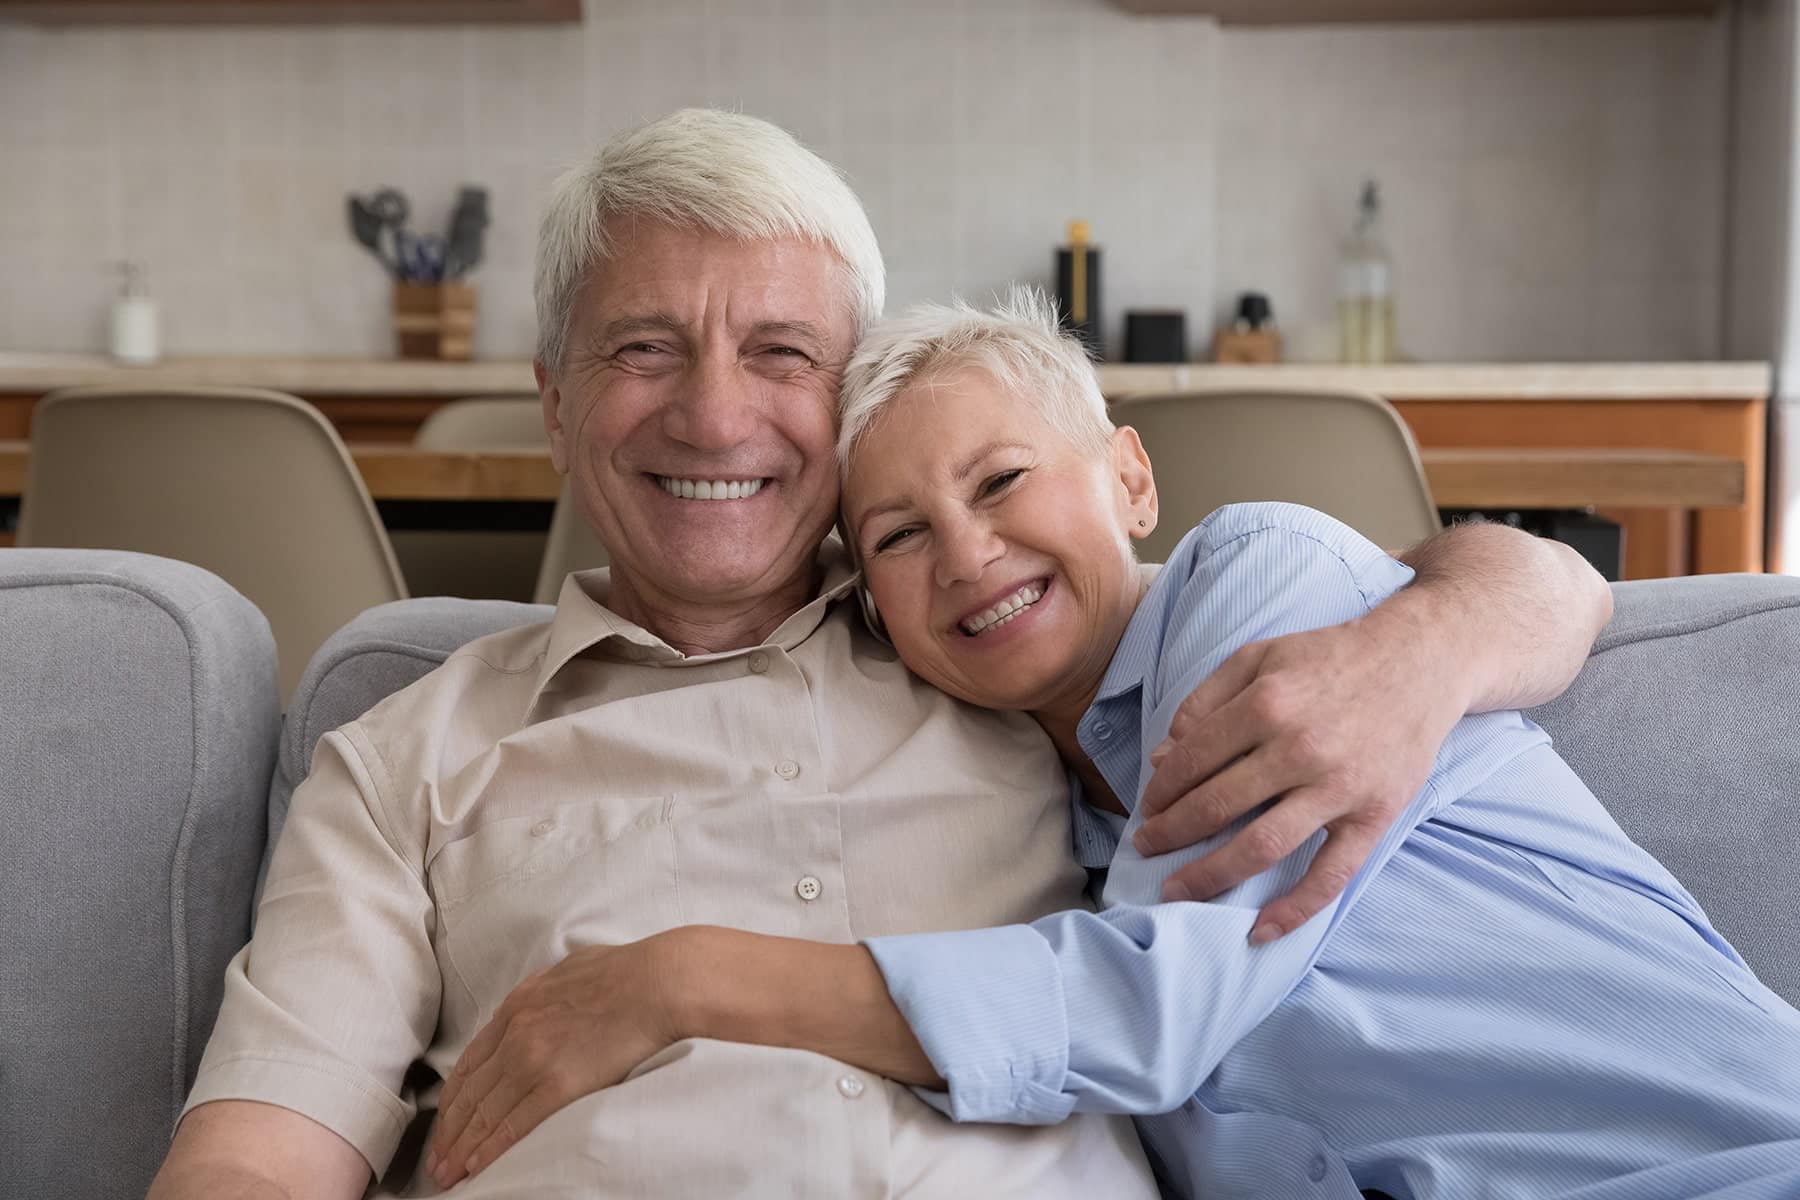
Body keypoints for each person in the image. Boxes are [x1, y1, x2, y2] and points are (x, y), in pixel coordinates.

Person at [149, 111, 1612, 1198]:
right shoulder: (408, 757)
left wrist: (1425, 645)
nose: (715, 419)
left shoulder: (1005, 646)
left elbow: (1497, 586)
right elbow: (260, 1156)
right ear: (553, 399)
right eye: (645, 348)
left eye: (780, 354)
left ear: (846, 405)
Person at [439, 290, 1800, 1199]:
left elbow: (1150, 1011)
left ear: (1131, 478)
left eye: (1002, 481)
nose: (968, 556)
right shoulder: (1042, 828)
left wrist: (673, 981)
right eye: (902, 536)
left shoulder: (1259, 592)